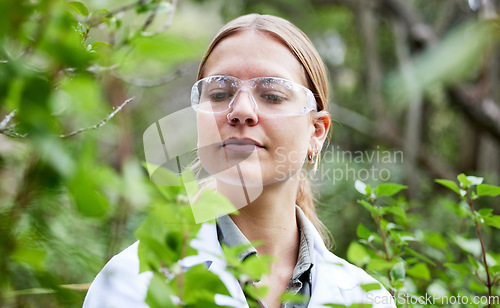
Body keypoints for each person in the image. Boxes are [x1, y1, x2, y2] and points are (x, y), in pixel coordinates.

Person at [83, 14, 395, 308]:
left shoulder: (366, 299)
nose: (241, 110)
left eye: (272, 95)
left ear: (316, 132)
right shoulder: (130, 285)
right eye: (219, 94)